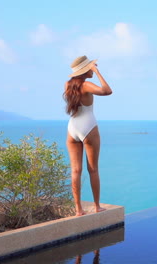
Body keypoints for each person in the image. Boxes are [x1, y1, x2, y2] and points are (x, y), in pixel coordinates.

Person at [63, 55, 112, 216]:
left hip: (72, 128)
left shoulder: (68, 85)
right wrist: (97, 72)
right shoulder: (86, 85)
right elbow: (107, 90)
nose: (93, 67)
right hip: (88, 127)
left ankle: (78, 209)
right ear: (85, 70)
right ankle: (97, 206)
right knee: (93, 169)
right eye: (91, 66)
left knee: (75, 171)